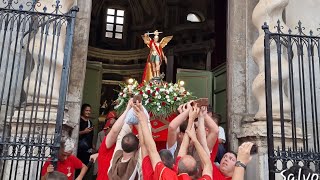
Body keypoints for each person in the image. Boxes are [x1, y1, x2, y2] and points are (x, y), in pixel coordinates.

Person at [90, 99, 138, 180]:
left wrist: (128, 109)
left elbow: (114, 131)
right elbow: (114, 131)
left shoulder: (125, 147)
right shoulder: (110, 146)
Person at [133, 101, 178, 180]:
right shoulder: (175, 176)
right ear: (173, 165)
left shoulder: (149, 174)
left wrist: (142, 120)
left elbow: (146, 147)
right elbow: (151, 150)